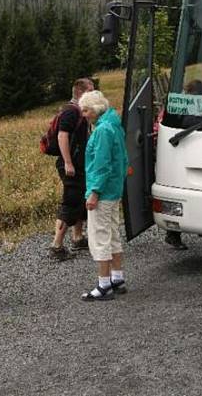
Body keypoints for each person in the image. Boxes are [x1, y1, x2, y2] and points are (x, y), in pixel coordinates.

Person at [78, 90, 129, 301]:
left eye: (86, 110)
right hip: (115, 189)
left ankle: (103, 284)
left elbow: (101, 164)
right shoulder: (113, 125)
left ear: (96, 109)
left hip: (104, 192)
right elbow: (123, 158)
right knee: (113, 233)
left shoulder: (102, 131)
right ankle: (117, 277)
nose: (84, 114)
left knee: (100, 236)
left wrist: (94, 193)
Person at [49, 77, 95, 261]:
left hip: (79, 163)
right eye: (90, 91)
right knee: (71, 200)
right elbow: (62, 136)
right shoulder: (70, 111)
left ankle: (78, 237)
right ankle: (56, 246)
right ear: (80, 93)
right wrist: (68, 162)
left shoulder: (80, 111)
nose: (94, 94)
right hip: (70, 164)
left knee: (81, 197)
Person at [163, 80, 202, 250]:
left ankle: (173, 233)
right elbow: (190, 123)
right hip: (180, 150)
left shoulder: (176, 103)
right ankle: (173, 233)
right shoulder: (189, 107)